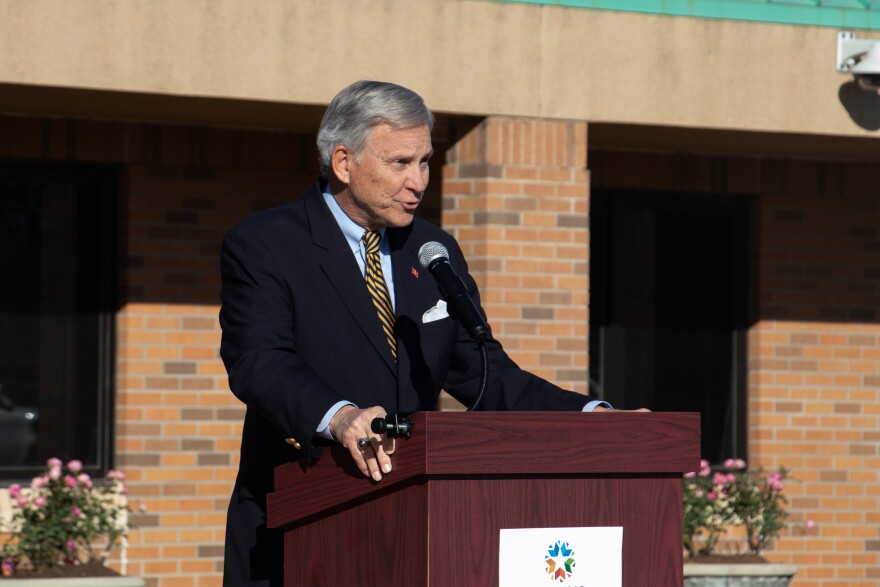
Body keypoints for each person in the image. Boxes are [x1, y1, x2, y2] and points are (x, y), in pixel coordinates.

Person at [219, 80, 642, 586]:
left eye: (424, 161)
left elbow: (485, 375)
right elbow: (261, 362)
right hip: (298, 523)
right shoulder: (266, 243)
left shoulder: (433, 250)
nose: (419, 181)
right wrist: (339, 416)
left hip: (409, 530)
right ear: (343, 162)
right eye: (400, 163)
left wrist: (590, 417)